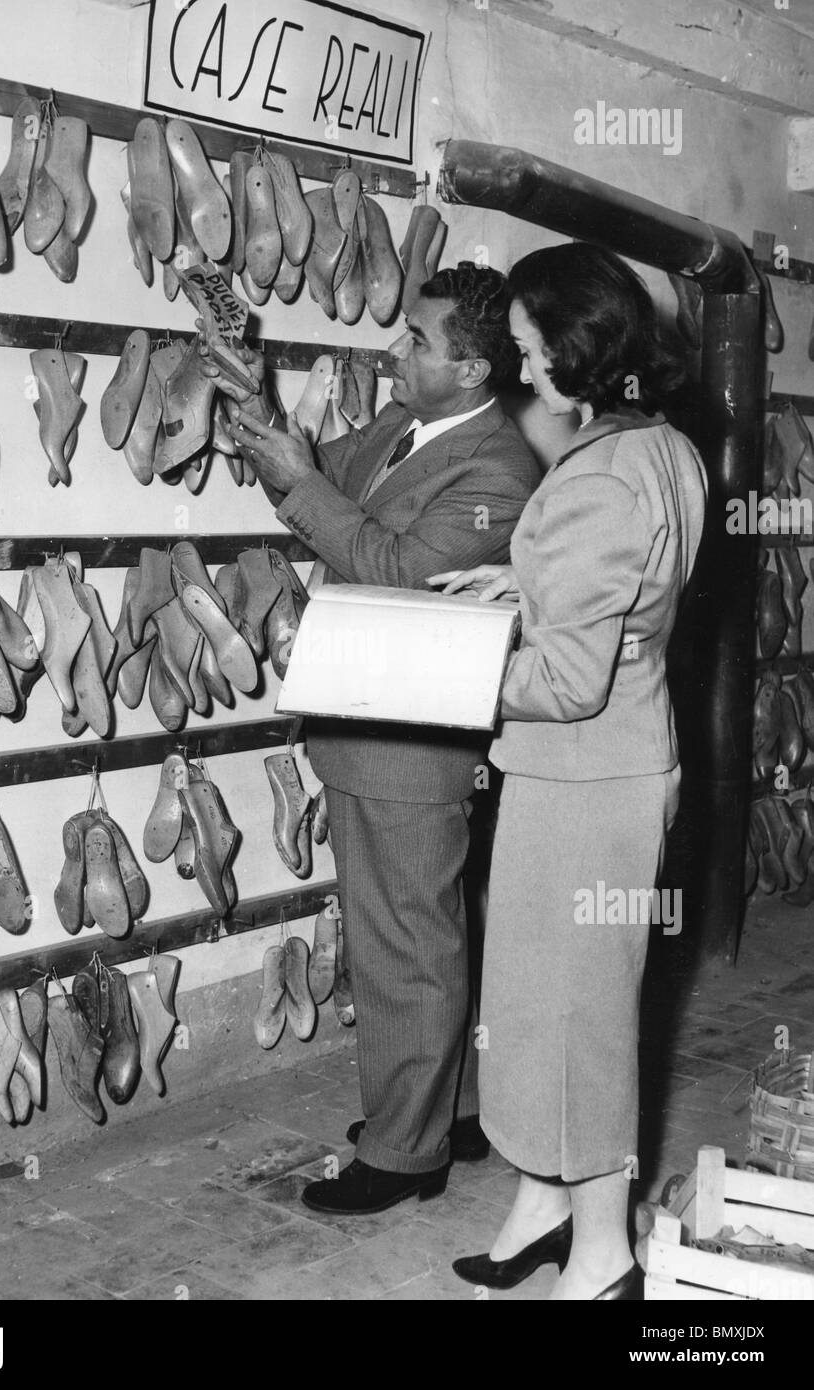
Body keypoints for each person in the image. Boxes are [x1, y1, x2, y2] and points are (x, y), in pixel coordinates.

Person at [203, 263, 541, 1214]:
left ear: (472, 369)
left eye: (419, 342)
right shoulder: (407, 427)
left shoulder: (499, 471)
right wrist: (252, 392)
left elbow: (394, 568)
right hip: (373, 719)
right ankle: (447, 1110)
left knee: (407, 944)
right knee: (423, 928)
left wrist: (306, 483)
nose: (399, 351)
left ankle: (404, 1156)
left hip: (414, 736)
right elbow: (315, 483)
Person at [432, 242, 707, 1299]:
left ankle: (602, 1254)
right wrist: (518, 577)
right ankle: (545, 1200)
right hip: (614, 766)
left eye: (529, 350)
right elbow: (620, 587)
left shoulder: (596, 475)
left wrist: (444, 671)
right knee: (537, 996)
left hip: (581, 777)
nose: (519, 368)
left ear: (574, 346)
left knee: (579, 1015)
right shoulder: (660, 448)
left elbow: (565, 679)